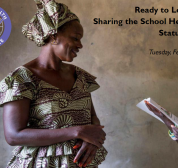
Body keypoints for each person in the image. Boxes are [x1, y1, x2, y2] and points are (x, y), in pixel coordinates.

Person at [0, 0, 107, 167]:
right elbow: (14, 135)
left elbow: (91, 117)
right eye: (75, 38)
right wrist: (77, 131)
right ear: (53, 35)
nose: (80, 45)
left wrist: (92, 141)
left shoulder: (80, 76)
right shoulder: (22, 79)